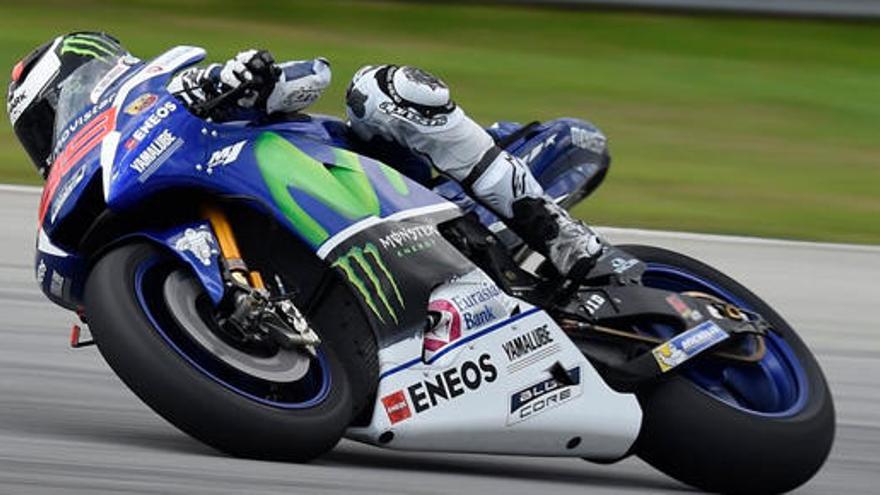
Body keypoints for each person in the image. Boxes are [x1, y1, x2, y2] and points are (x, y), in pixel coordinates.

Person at [7, 33, 605, 280]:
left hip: (381, 181)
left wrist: (251, 77)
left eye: (45, 120)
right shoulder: (105, 184)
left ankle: (555, 231)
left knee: (382, 90)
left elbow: (311, 78)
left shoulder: (181, 94)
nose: (50, 138)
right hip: (323, 254)